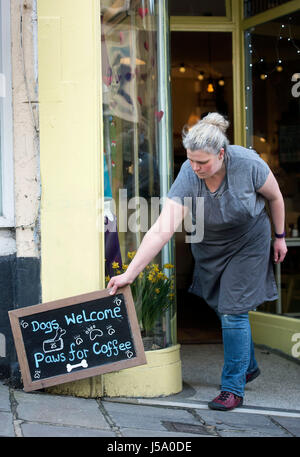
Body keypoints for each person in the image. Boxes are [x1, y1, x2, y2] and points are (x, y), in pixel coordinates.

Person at [107, 112, 287, 411]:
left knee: (233, 311)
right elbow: (162, 228)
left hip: (248, 241)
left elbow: (276, 197)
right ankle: (248, 365)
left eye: (202, 162)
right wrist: (130, 273)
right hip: (210, 244)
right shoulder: (189, 175)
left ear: (221, 153)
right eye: (191, 160)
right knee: (220, 303)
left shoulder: (248, 164)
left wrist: (280, 236)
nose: (195, 167)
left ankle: (232, 388)